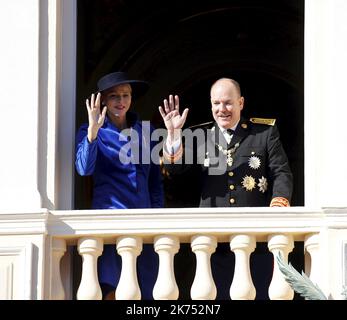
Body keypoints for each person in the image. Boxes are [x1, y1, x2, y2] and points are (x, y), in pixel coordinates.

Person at [159, 77, 293, 299]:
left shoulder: (264, 133)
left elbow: (281, 171)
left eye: (228, 103)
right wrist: (173, 134)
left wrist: (278, 203)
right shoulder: (199, 136)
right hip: (212, 243)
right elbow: (174, 170)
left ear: (241, 102)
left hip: (255, 240)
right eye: (216, 103)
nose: (222, 109)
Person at [75, 71, 164, 299]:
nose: (121, 101)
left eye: (125, 95)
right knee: (114, 291)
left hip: (145, 226)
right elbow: (84, 169)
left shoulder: (147, 132)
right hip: (111, 224)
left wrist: (159, 219)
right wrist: (93, 134)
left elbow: (155, 183)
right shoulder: (91, 131)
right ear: (103, 100)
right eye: (114, 96)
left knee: (147, 293)